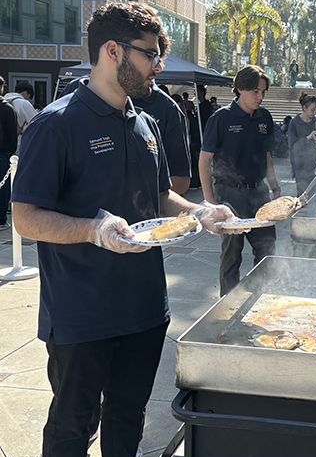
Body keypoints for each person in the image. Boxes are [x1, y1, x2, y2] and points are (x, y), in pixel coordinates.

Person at [11, 2, 239, 457]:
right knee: (72, 423)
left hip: (142, 305)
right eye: (151, 53)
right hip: (81, 312)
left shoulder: (146, 122)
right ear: (113, 52)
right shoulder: (55, 124)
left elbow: (163, 198)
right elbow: (24, 217)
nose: (159, 64)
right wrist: (91, 229)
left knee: (129, 413)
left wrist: (201, 211)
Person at [199, 65, 280, 296]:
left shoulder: (264, 117)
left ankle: (261, 297)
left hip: (259, 193)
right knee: (232, 253)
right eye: (255, 91)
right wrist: (209, 202)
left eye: (263, 92)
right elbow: (204, 160)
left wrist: (275, 188)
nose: (260, 97)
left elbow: (267, 156)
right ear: (240, 89)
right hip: (230, 194)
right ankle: (227, 307)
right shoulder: (221, 118)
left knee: (267, 250)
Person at [62, 76, 192, 195]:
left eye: (159, 57)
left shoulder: (162, 112)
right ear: (114, 51)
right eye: (148, 55)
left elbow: (178, 182)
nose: (157, 67)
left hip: (145, 219)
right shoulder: (71, 97)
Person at [288, 92, 316, 196]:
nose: (314, 113)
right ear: (304, 108)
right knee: (303, 197)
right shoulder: (295, 123)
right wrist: (307, 138)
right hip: (301, 169)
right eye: (312, 110)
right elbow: (293, 148)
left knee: (315, 197)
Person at [0, 75, 18, 230]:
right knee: (3, 188)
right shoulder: (7, 109)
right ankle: (0, 218)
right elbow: (12, 135)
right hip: (2, 154)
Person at [3, 80, 37, 145]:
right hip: (17, 142)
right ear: (25, 93)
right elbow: (36, 123)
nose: (27, 99)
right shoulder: (24, 103)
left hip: (3, 142)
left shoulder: (4, 100)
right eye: (28, 97)